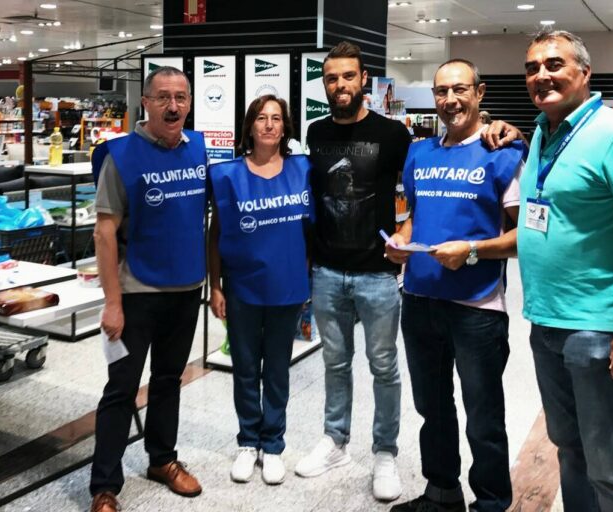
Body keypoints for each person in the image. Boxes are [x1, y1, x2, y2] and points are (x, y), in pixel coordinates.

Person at [485, 29, 613, 510]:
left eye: (554, 64)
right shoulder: (542, 131)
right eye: (532, 68)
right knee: (570, 450)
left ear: (585, 73)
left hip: (597, 327)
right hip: (546, 322)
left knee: (612, 465)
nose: (541, 75)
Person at [386, 59, 525, 512]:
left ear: (480, 92)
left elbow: (524, 237)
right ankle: (441, 492)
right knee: (433, 407)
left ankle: (490, 502)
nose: (450, 101)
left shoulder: (503, 153)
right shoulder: (420, 153)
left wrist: (470, 250)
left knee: (483, 416)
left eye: (460, 90)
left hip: (478, 308)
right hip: (420, 299)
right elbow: (412, 219)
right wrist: (402, 242)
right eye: (442, 92)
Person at [294, 41, 411, 502]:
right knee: (334, 362)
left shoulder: (393, 134)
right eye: (331, 78)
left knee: (384, 366)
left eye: (348, 76)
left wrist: (407, 231)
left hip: (378, 273)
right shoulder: (316, 132)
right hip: (326, 271)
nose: (339, 85)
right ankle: (336, 440)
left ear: (365, 80)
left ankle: (385, 452)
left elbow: (419, 188)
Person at [88, 66, 207, 512]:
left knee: (168, 381)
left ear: (189, 103)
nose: (172, 106)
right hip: (136, 291)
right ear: (146, 102)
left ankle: (162, 460)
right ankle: (104, 484)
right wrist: (112, 302)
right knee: (121, 389)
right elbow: (104, 234)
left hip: (185, 288)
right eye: (162, 97)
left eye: (180, 97)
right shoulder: (121, 156)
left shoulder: (198, 150)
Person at [208, 95, 312, 485]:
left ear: (285, 127)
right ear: (250, 126)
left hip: (287, 287)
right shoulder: (227, 175)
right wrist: (215, 285)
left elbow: (310, 232)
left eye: (276, 119)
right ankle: (247, 441)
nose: (269, 125)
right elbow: (215, 232)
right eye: (261, 118)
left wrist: (307, 278)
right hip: (242, 289)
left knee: (279, 370)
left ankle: (273, 445)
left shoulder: (303, 170)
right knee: (246, 369)